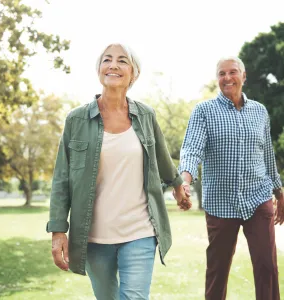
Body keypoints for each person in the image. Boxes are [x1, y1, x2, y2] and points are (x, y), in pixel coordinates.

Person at [46, 43, 191, 300]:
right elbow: (62, 179)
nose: (113, 65)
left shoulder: (146, 115)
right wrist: (58, 231)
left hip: (140, 231)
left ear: (133, 74)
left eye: (122, 60)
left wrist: (179, 187)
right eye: (107, 59)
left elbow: (162, 158)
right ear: (99, 70)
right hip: (93, 236)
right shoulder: (76, 120)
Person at [178, 56, 284, 300]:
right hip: (221, 202)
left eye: (233, 72)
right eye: (222, 73)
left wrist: (278, 191)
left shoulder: (260, 112)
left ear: (243, 76)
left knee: (267, 266)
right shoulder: (204, 111)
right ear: (217, 79)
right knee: (218, 269)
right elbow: (192, 149)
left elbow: (267, 154)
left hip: (258, 197)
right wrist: (185, 180)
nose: (227, 78)